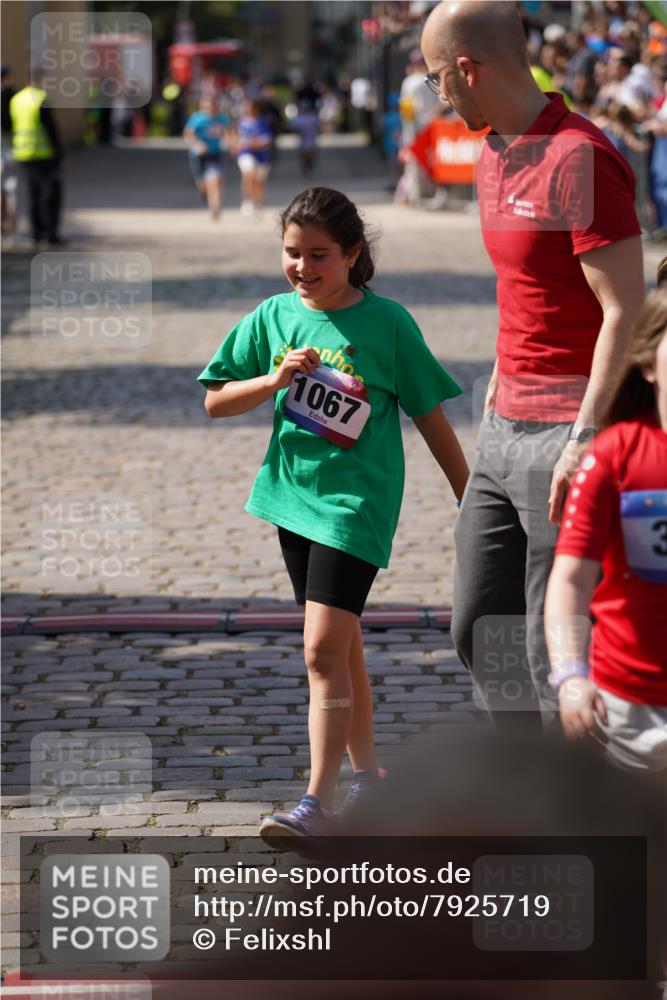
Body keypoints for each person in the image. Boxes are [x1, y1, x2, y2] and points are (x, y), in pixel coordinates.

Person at [197, 186, 469, 843]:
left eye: (318, 255)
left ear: (352, 254)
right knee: (341, 650)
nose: (302, 267)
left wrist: (472, 497)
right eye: (291, 254)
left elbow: (429, 415)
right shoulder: (271, 316)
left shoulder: (388, 324)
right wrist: (272, 380)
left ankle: (315, 803)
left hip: (357, 505)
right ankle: (368, 780)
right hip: (292, 501)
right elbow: (215, 402)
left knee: (320, 649)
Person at [421, 1, 645, 731]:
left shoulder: (580, 156)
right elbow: (523, 293)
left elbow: (625, 311)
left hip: (568, 432)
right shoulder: (493, 152)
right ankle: (523, 782)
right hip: (501, 422)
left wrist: (584, 440)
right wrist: (490, 399)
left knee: (549, 643)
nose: (435, 95)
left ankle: (568, 818)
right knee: (478, 626)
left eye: (435, 78)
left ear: (467, 68)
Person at [545, 287, 667, 773]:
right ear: (649, 365)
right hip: (623, 713)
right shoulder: (613, 455)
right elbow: (571, 579)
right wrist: (571, 674)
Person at [9, 66, 65, 248]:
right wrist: (60, 156)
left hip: (23, 153)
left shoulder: (16, 100)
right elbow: (51, 130)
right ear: (41, 80)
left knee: (33, 194)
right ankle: (50, 234)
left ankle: (36, 233)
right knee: (50, 194)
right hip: (44, 155)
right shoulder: (41, 99)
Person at [183, 94, 230, 221]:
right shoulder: (197, 118)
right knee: (202, 183)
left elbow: (228, 133)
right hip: (198, 156)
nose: (211, 108)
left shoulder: (222, 119)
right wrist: (198, 144)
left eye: (213, 106)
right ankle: (204, 193)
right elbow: (188, 135)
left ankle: (215, 206)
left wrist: (231, 142)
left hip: (214, 154)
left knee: (215, 180)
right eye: (208, 106)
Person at [234, 98, 273, 215]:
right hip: (245, 153)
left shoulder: (262, 122)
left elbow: (267, 140)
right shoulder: (240, 122)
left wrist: (254, 143)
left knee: (259, 181)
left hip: (261, 156)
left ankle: (259, 203)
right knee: (249, 173)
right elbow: (234, 137)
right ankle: (247, 200)